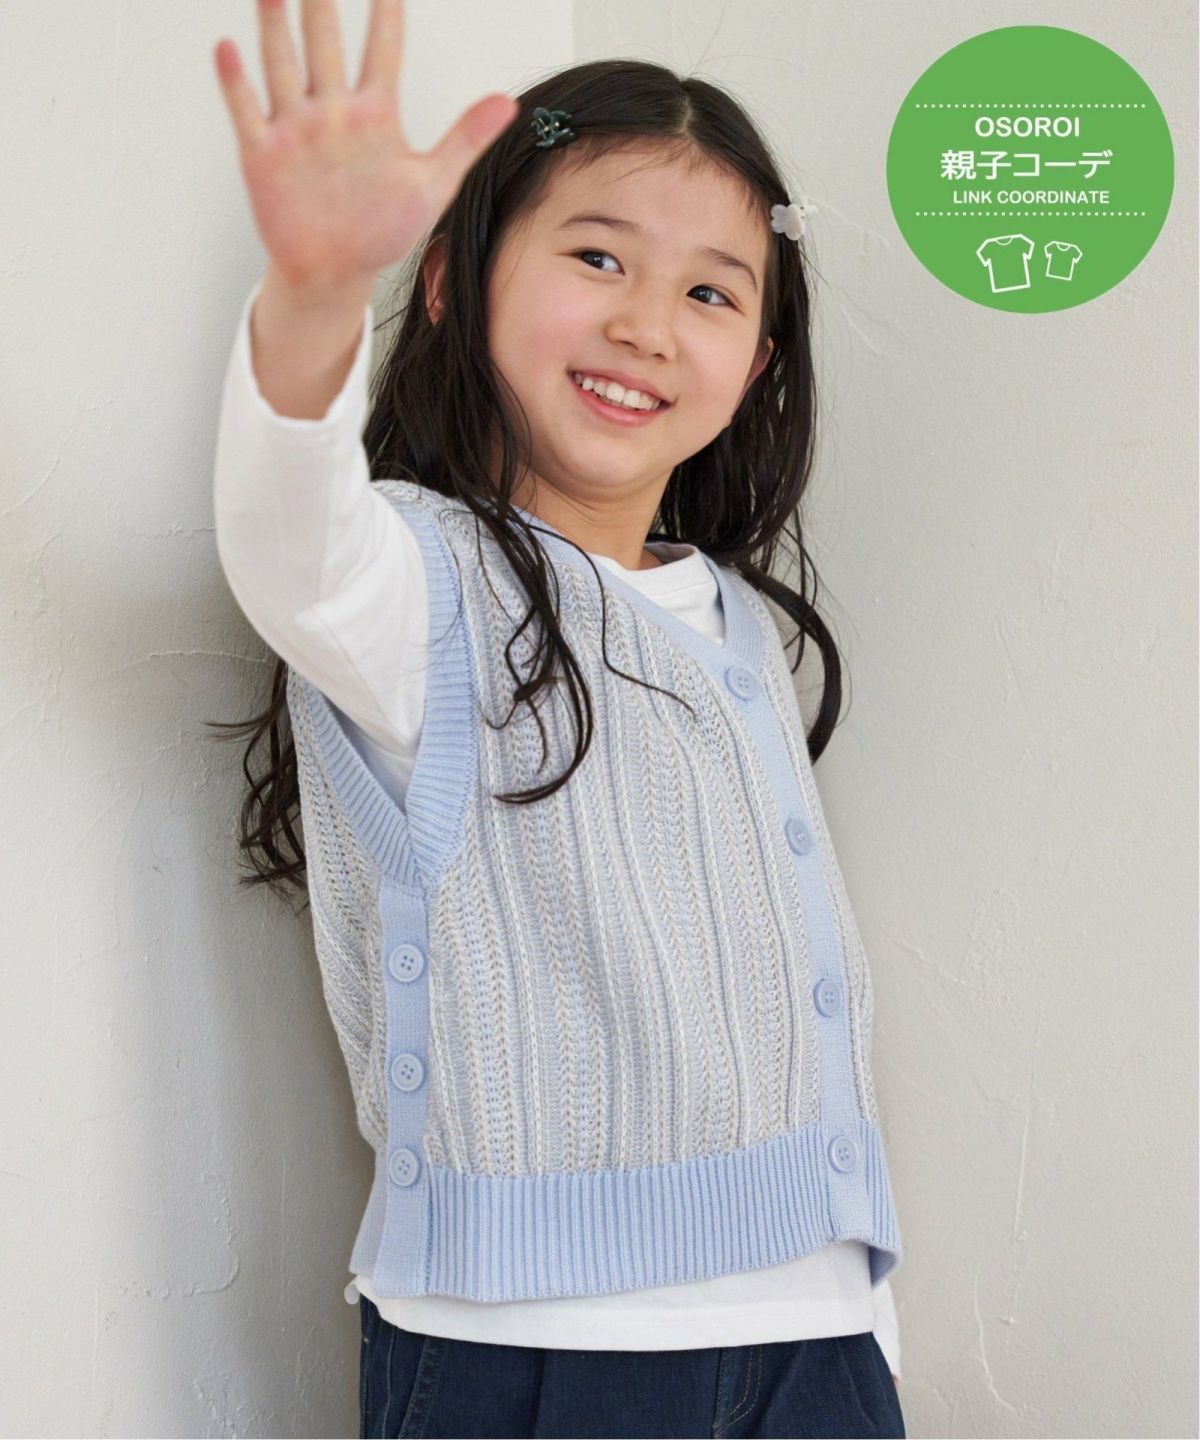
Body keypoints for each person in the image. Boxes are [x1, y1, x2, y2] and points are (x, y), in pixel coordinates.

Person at [210, 2, 907, 1436]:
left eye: (712, 293)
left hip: (818, 1338)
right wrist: (314, 296)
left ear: (758, 364)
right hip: (538, 1353)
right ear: (455, 282)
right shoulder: (416, 581)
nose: (647, 324)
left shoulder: (742, 627)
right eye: (597, 258)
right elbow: (291, 543)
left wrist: (863, 1334)